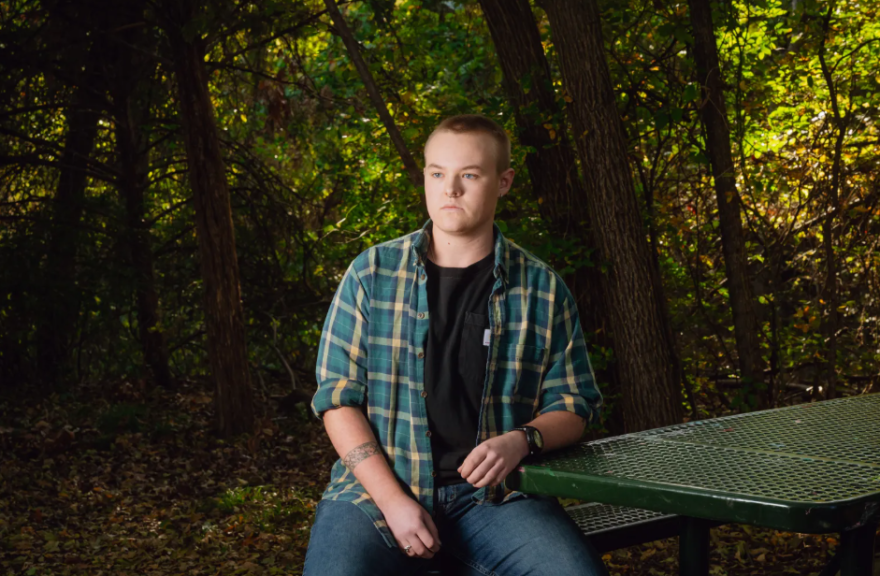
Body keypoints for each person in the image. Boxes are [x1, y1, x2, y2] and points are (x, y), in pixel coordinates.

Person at [304, 114, 609, 576]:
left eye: (469, 174)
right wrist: (393, 503)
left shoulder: (541, 289)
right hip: (374, 493)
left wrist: (521, 440)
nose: (450, 189)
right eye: (437, 173)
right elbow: (337, 402)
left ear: (503, 182)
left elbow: (574, 403)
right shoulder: (372, 274)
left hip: (495, 498)